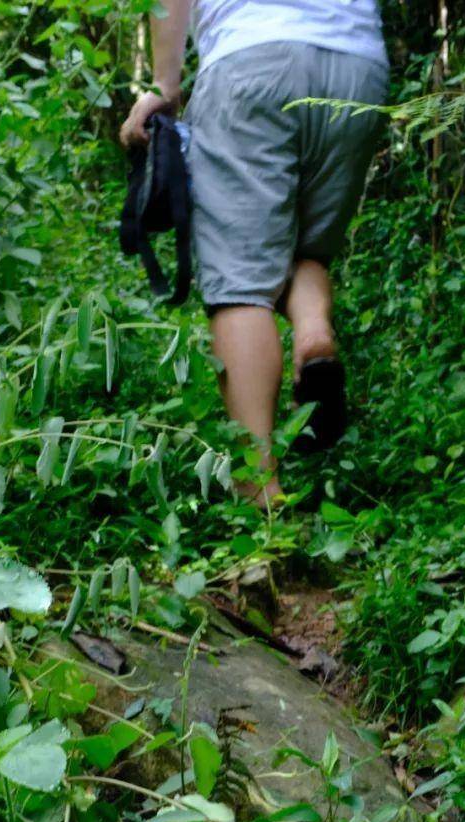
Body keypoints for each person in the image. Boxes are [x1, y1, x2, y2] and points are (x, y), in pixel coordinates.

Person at [120, 0, 388, 504]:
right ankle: (312, 333)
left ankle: (257, 487)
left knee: (241, 285)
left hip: (253, 60)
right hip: (358, 67)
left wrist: (163, 86)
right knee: (308, 247)